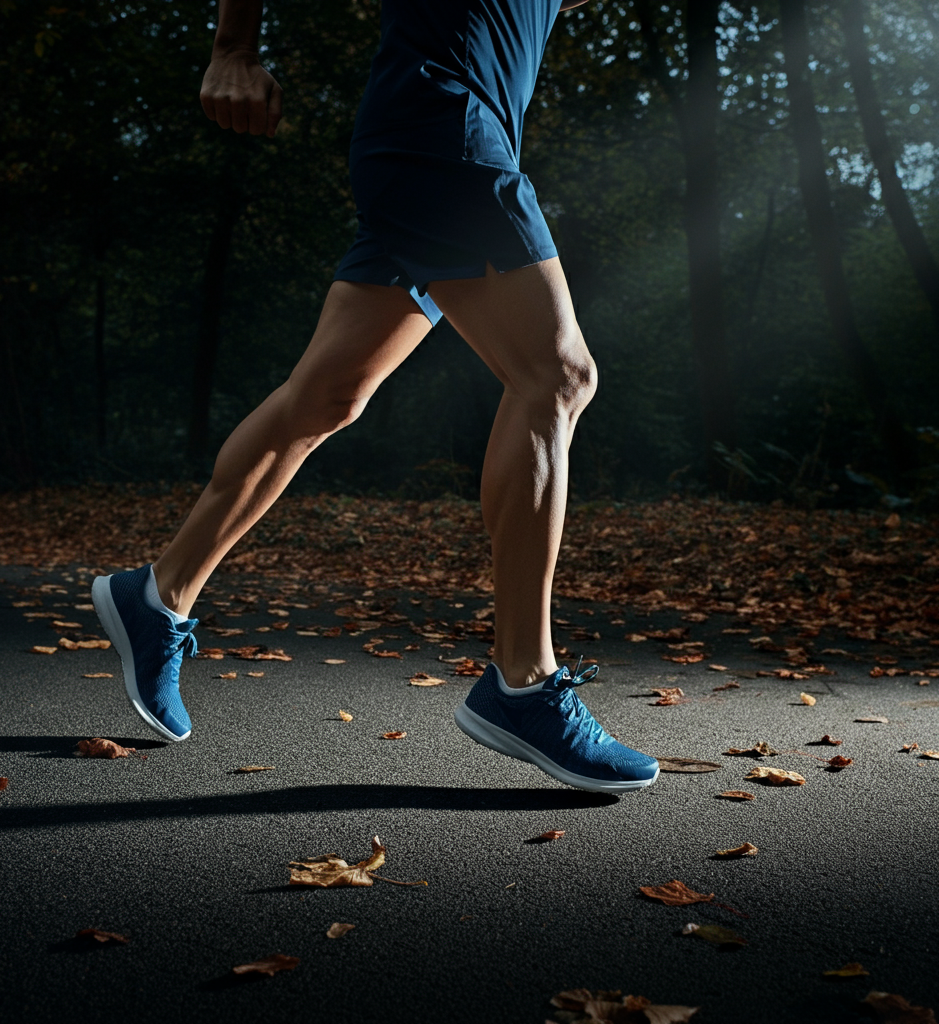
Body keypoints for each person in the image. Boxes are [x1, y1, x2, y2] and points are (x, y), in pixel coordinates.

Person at [91, 0, 659, 794]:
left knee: (327, 396)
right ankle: (523, 683)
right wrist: (233, 45)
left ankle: (158, 595)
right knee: (557, 375)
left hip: (433, 139)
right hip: (443, 127)